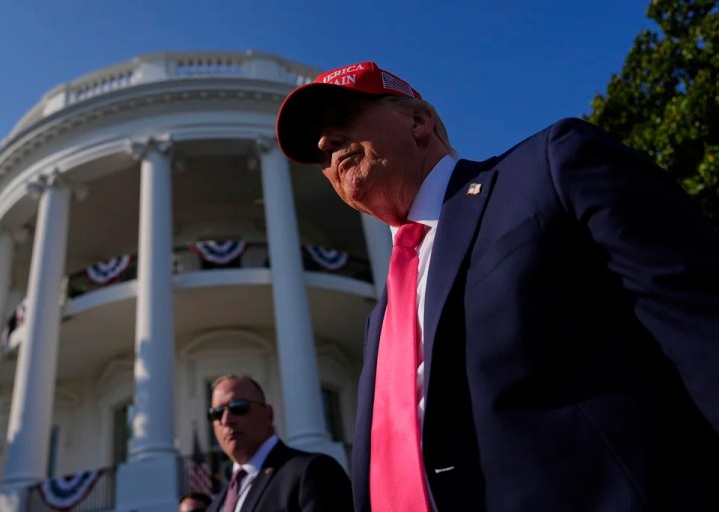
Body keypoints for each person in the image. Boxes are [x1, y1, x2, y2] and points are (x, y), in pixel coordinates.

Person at [275, 61, 719, 511]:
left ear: (417, 120)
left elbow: (700, 326)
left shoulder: (549, 168)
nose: (324, 144)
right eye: (318, 149)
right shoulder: (382, 317)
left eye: (343, 118)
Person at [205, 374, 354, 512]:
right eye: (216, 413)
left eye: (238, 407)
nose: (226, 420)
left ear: (268, 415)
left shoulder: (313, 472)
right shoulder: (216, 505)